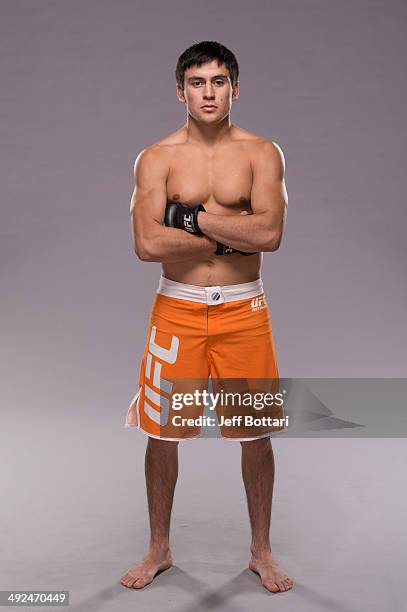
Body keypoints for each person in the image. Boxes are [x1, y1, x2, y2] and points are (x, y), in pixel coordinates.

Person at [120, 40, 292, 594]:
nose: (209, 92)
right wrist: (227, 230)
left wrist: (188, 219)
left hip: (246, 312)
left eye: (219, 82)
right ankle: (159, 548)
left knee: (257, 434)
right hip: (178, 310)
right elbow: (147, 244)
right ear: (180, 91)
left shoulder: (263, 153)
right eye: (198, 83)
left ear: (235, 89)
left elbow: (269, 235)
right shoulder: (157, 157)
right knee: (161, 433)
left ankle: (261, 551)